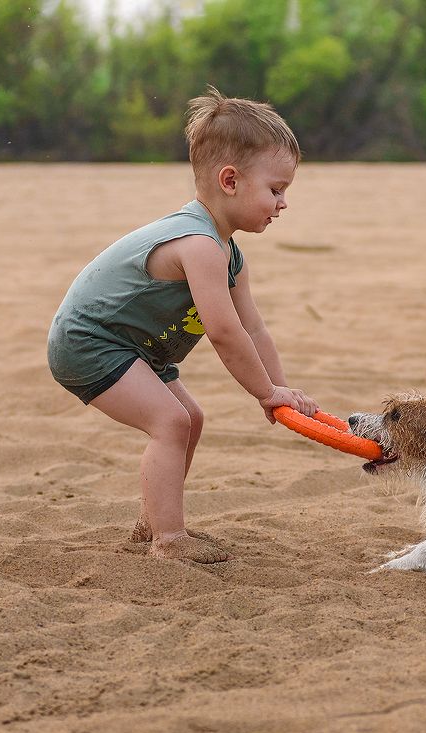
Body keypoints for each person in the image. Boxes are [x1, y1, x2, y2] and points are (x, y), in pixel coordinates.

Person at [47, 87, 318, 563]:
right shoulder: (198, 244)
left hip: (138, 349)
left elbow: (253, 328)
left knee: (191, 418)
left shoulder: (228, 254)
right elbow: (224, 334)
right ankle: (169, 539)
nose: (283, 203)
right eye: (276, 190)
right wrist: (264, 392)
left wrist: (280, 389)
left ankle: (153, 522)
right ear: (230, 180)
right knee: (170, 421)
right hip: (90, 342)